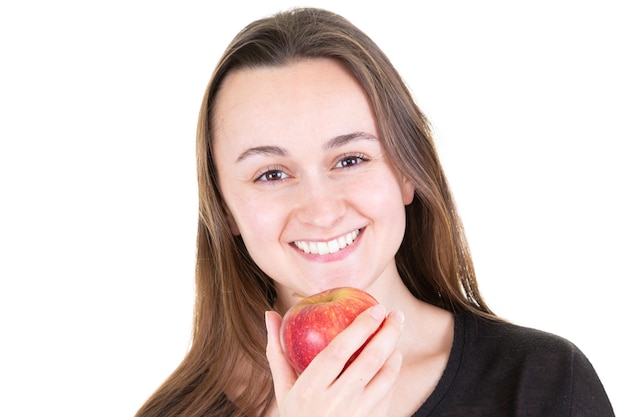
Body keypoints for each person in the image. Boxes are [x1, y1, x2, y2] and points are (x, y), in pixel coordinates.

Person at [135, 7, 614, 417]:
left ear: (408, 172)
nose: (321, 211)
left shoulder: (543, 386)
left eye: (350, 160)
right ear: (225, 210)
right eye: (271, 174)